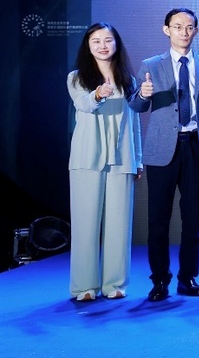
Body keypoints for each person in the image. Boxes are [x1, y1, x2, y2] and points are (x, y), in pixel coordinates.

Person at [129, 8, 199, 302]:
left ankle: (187, 277)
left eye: (189, 27)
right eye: (178, 26)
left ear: (196, 31)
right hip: (161, 151)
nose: (184, 32)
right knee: (158, 219)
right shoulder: (150, 65)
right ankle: (159, 280)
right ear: (166, 29)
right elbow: (136, 106)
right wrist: (143, 94)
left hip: (195, 146)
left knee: (192, 219)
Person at [67, 23, 143, 301]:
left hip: (122, 157)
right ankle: (84, 286)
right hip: (87, 157)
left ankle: (115, 284)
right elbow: (83, 104)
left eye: (108, 40)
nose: (102, 45)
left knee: (119, 225)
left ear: (116, 44)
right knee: (85, 224)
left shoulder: (128, 80)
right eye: (96, 41)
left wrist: (138, 159)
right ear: (88, 46)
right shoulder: (77, 77)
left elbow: (134, 122)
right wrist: (98, 94)